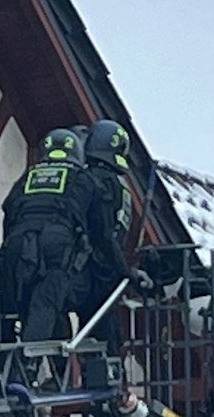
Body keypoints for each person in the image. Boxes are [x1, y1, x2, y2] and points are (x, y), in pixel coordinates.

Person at [0, 128, 115, 345]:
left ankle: (4, 355)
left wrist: (6, 248)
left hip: (17, 242)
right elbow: (103, 233)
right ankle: (25, 366)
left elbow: (8, 210)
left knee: (14, 301)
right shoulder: (83, 178)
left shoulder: (27, 177)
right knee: (46, 303)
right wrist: (121, 269)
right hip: (57, 245)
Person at [72, 120, 141, 387]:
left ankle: (100, 382)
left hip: (87, 270)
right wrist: (123, 269)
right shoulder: (115, 184)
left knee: (98, 333)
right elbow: (108, 234)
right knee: (105, 333)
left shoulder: (89, 182)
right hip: (101, 273)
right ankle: (107, 383)